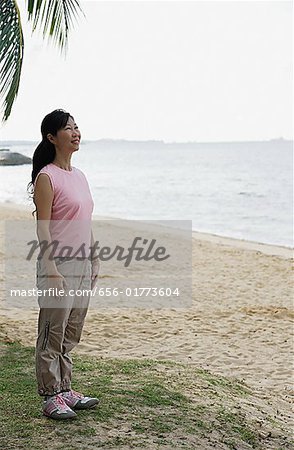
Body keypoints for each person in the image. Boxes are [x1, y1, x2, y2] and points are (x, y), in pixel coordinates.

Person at [28, 109, 100, 420]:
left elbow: (85, 220)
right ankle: (50, 396)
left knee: (72, 330)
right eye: (68, 129)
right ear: (51, 137)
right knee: (51, 331)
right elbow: (43, 227)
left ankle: (66, 389)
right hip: (57, 265)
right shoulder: (47, 176)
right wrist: (52, 268)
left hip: (82, 263)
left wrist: (95, 257)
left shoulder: (80, 175)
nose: (75, 132)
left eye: (76, 127)